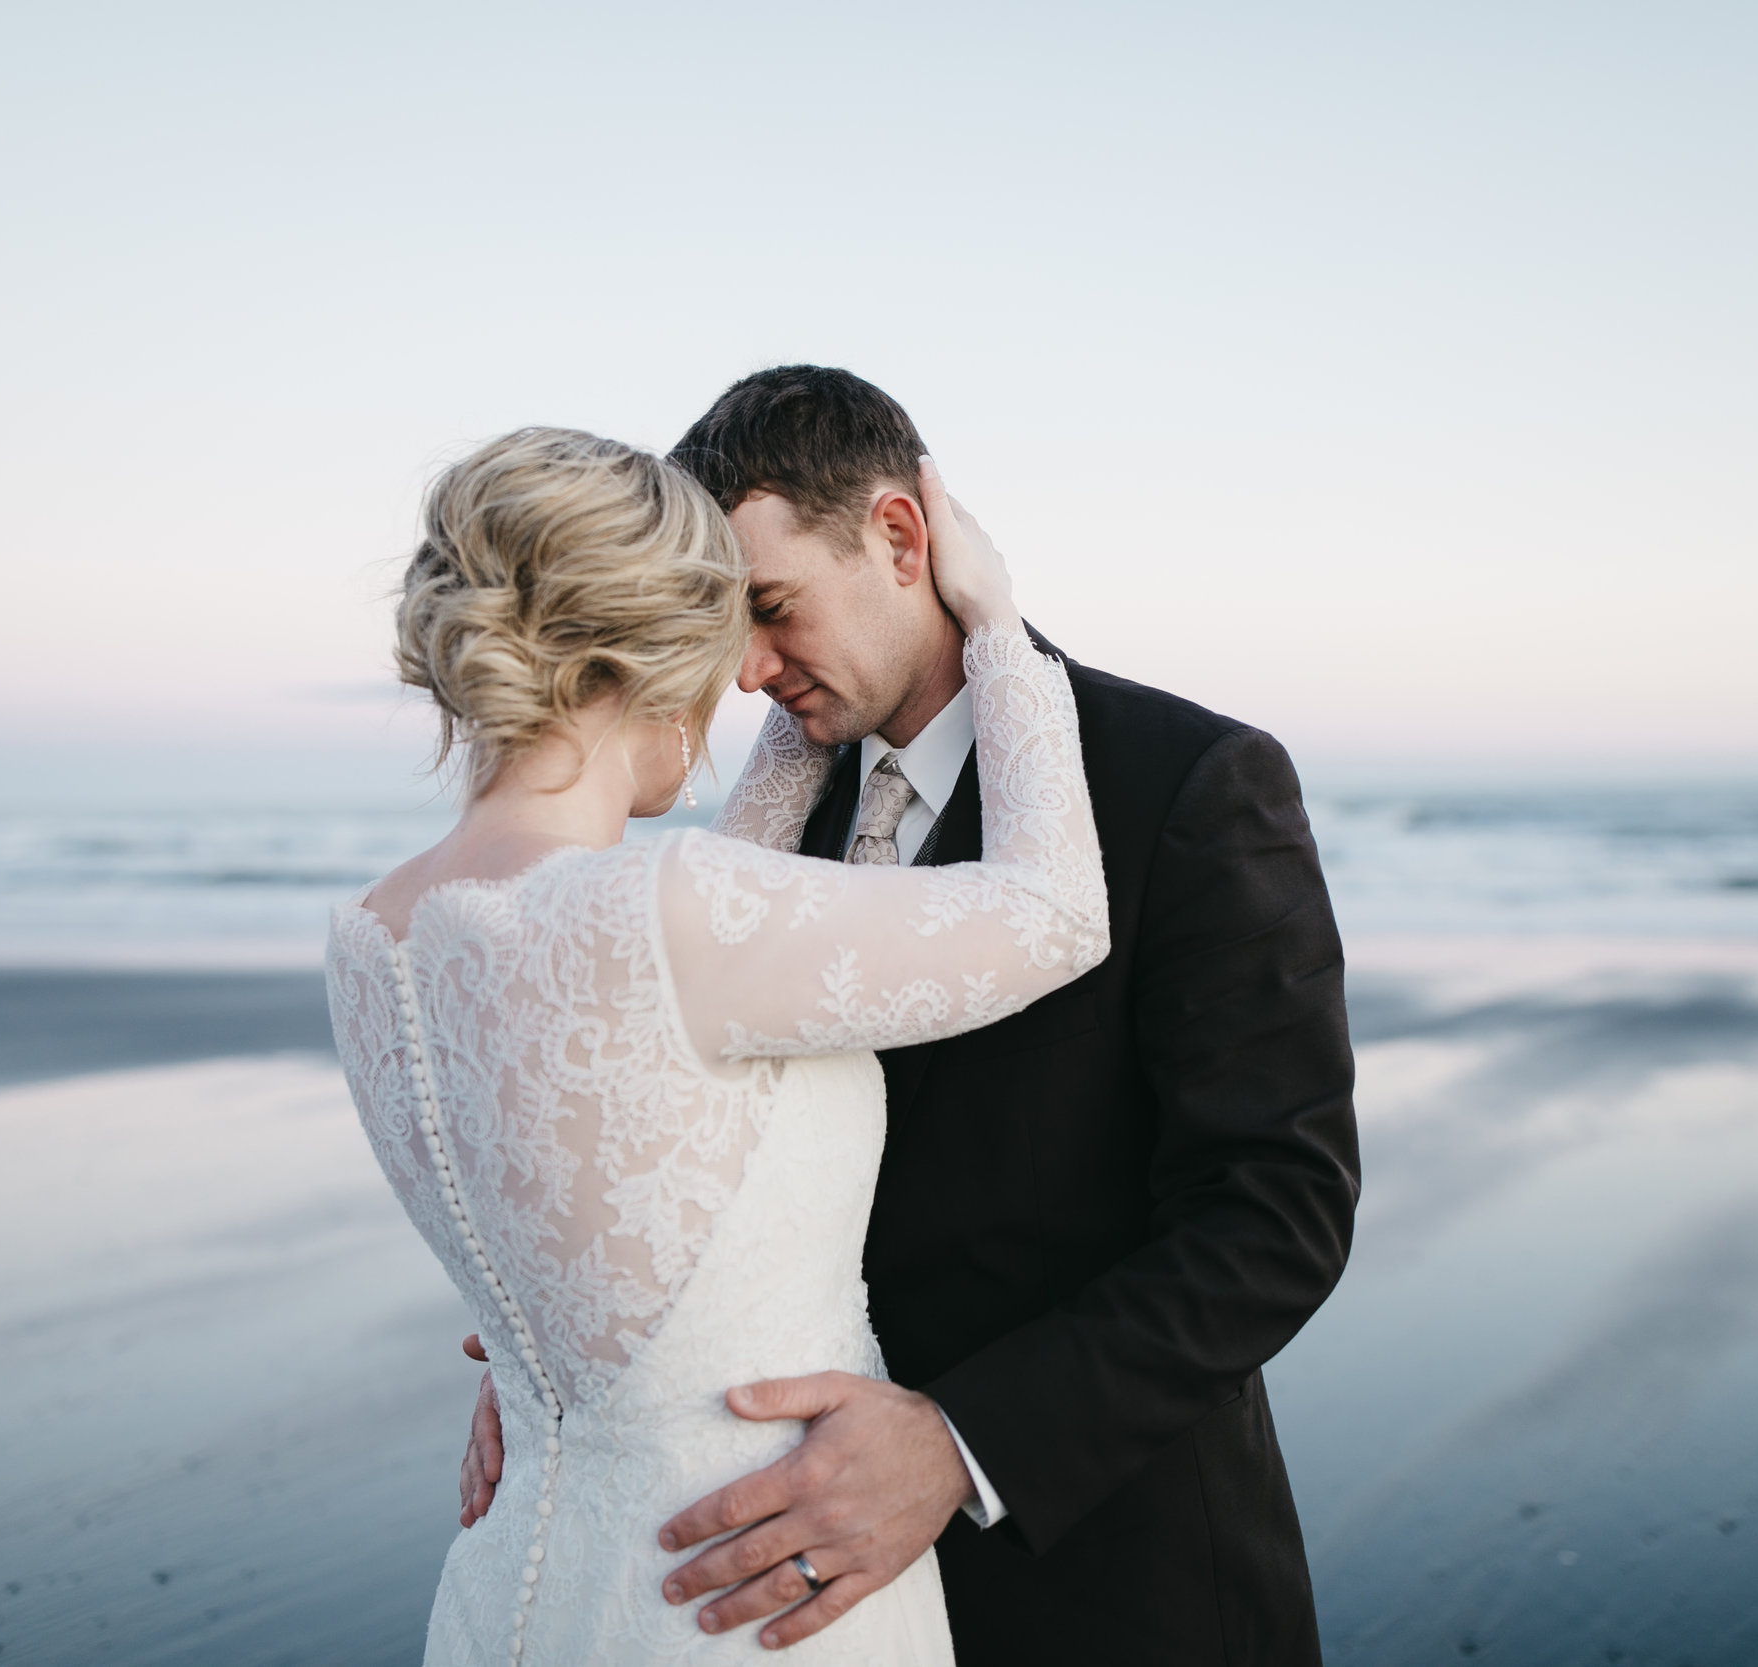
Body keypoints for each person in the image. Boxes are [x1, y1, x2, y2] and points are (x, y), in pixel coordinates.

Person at [457, 368, 1363, 1664]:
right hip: (801, 1594)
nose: (751, 670)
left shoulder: (1187, 782)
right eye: (723, 630)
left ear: (897, 536)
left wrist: (960, 1439)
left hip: (1108, 1577)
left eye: (770, 609)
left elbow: (1279, 1210)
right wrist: (570, 1324)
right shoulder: (761, 838)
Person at [328, 423, 1107, 1663]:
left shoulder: (376, 935)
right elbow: (1056, 914)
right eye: (725, 625)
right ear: (654, 646)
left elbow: (698, 951)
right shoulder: (671, 914)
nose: (745, 672)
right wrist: (996, 623)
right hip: (752, 1590)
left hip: (517, 1583)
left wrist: (812, 725)